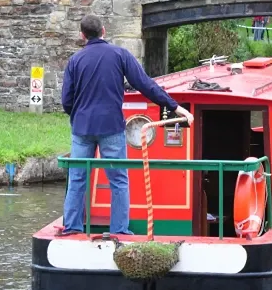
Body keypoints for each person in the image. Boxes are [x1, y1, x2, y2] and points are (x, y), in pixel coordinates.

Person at [61, 15, 194, 235]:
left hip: (82, 128)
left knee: (77, 178)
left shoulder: (75, 61)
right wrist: (175, 106)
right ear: (104, 31)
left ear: (82, 35)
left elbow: (67, 99)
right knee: (119, 179)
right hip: (111, 126)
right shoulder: (120, 55)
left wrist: (77, 115)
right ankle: (119, 230)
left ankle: (72, 228)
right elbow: (145, 84)